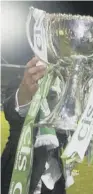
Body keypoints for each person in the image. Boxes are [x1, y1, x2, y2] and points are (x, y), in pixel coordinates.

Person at [1, 57, 66, 194]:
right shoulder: (21, 82)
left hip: (55, 178)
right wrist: (25, 92)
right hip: (18, 168)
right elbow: (11, 111)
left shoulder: (63, 88)